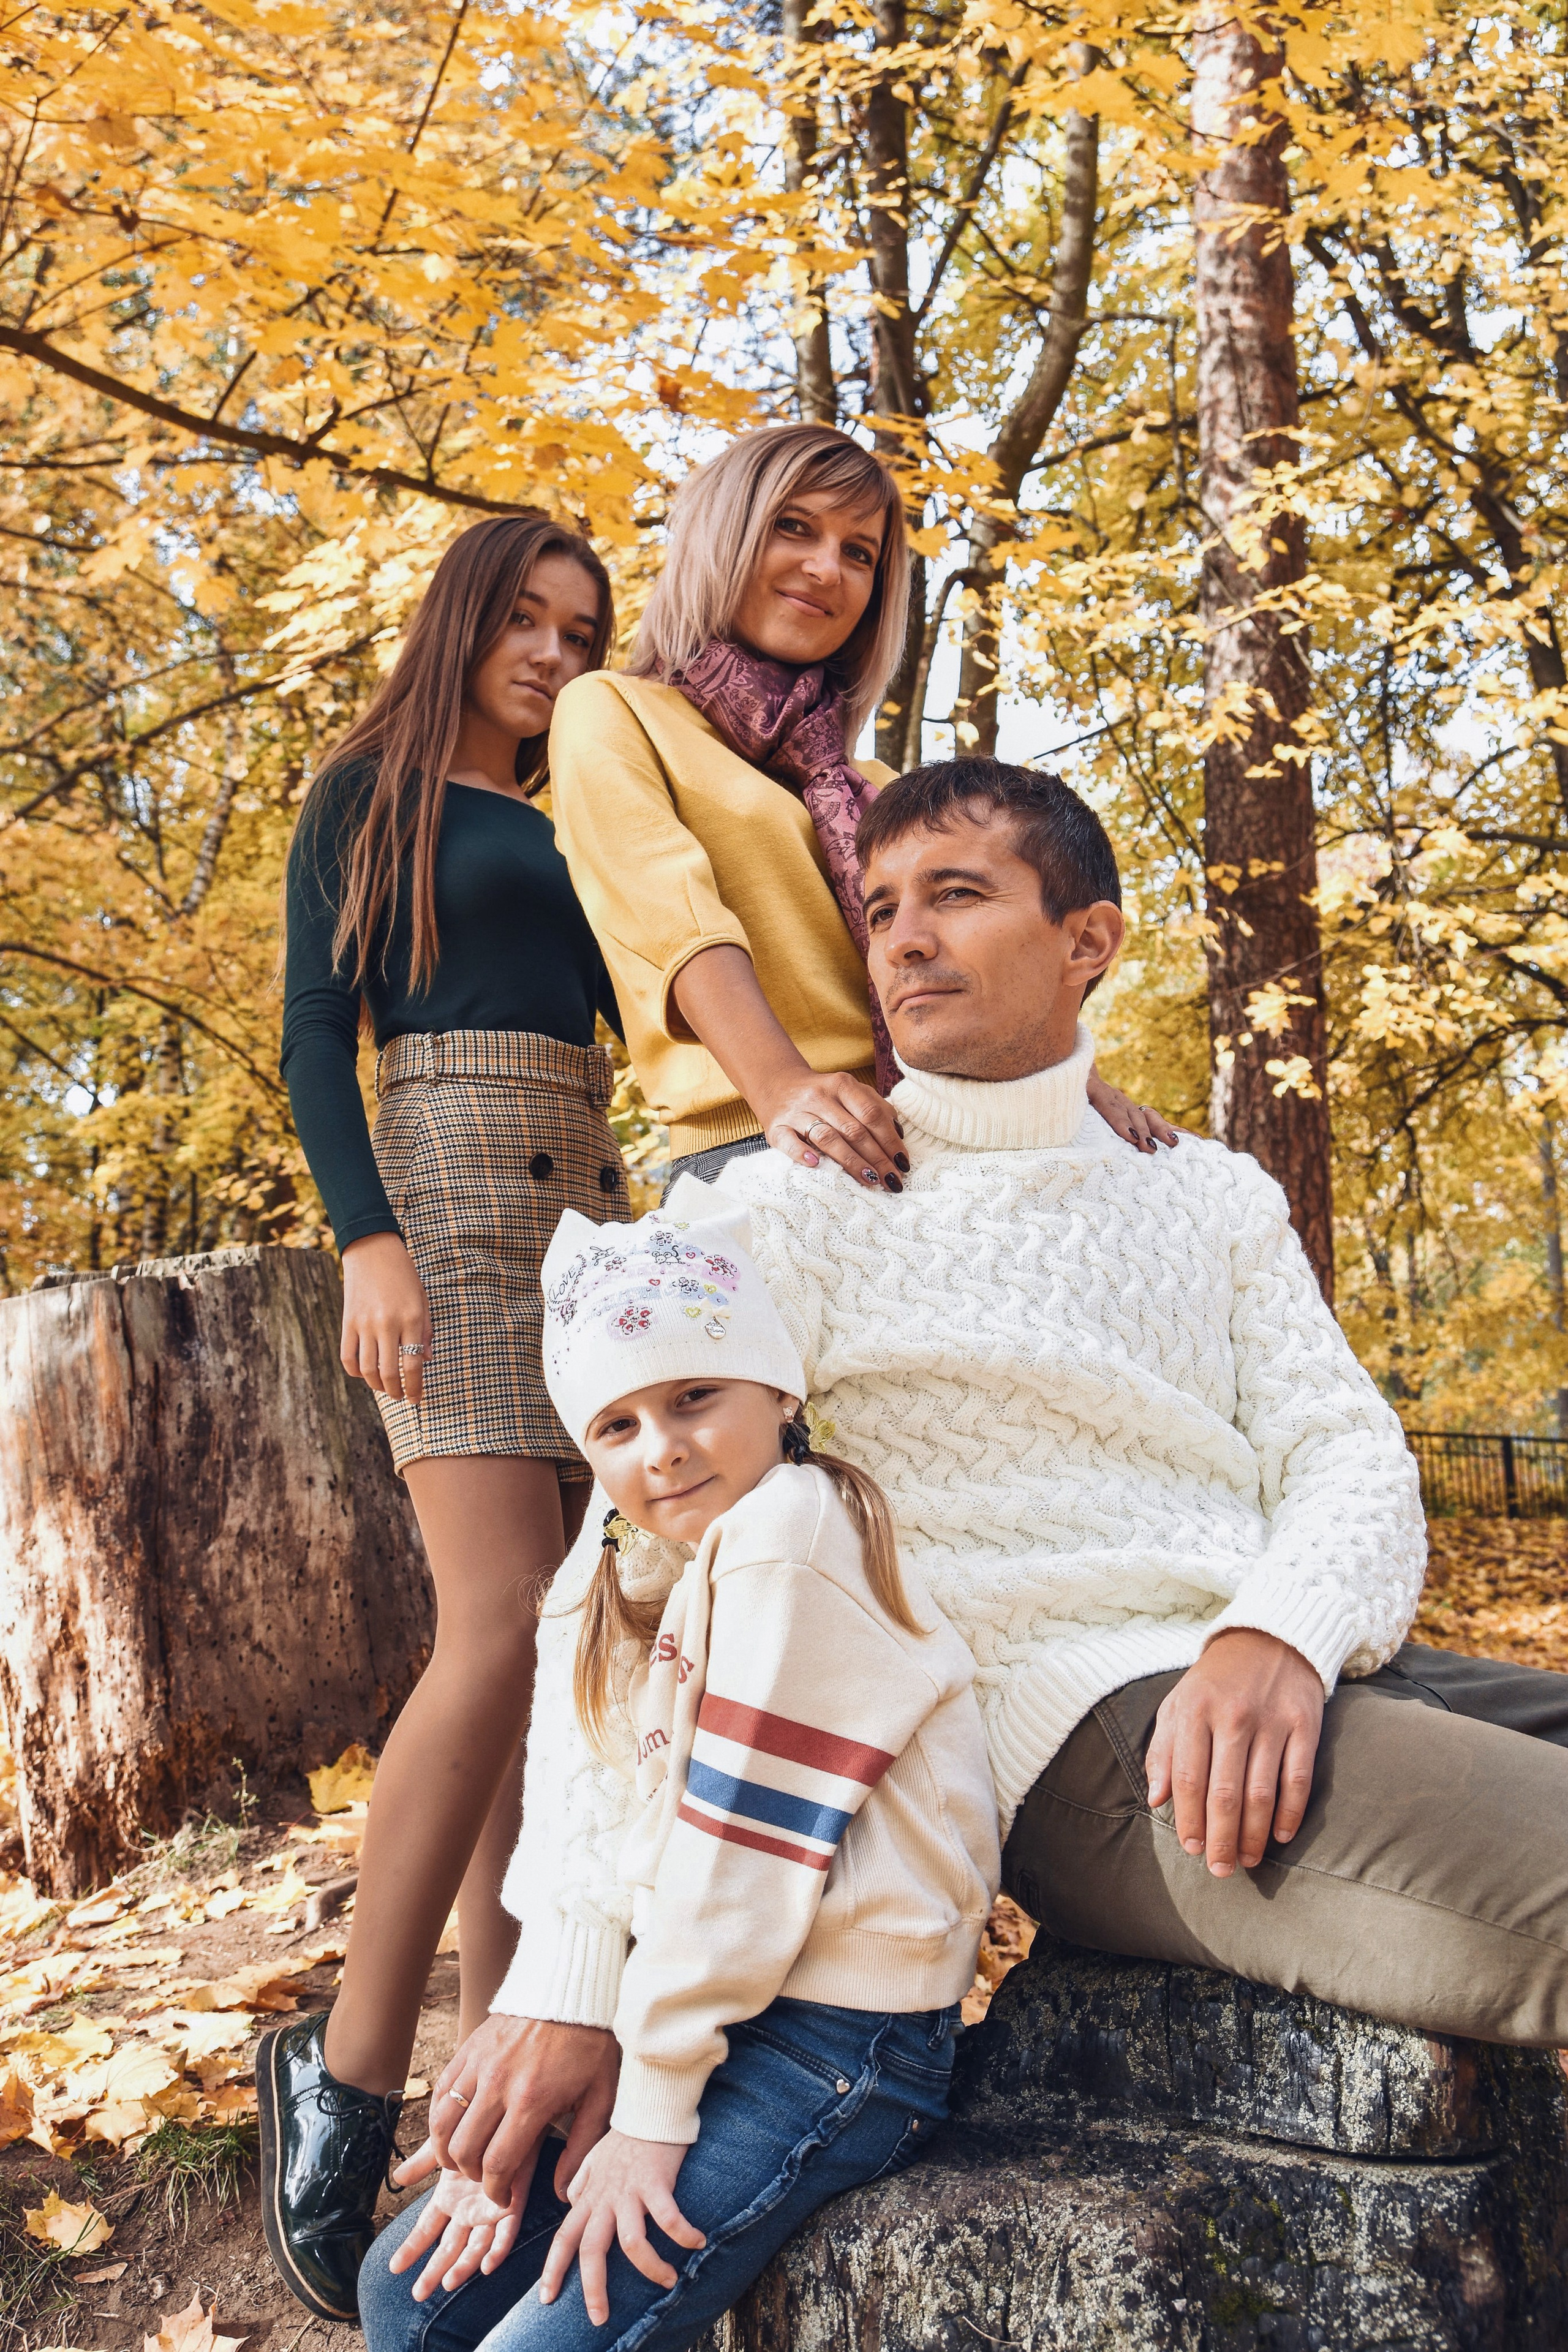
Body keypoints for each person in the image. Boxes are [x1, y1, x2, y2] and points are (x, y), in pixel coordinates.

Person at [424, 755, 1568, 2256]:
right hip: (1079, 1730)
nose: (898, 936)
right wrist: (573, 1968)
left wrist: (1275, 1628)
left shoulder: (1209, 1192)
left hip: (1293, 1663)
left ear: (1085, 939)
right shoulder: (792, 1206)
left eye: (954, 895)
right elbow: (620, 1576)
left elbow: (1346, 1453)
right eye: (880, 904)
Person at [360, 1194, 999, 2352]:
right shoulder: (653, 1566)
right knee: (407, 2297)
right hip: (718, 2012)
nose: (662, 1446)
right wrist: (582, 2055)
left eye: (694, 1396)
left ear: (780, 1393)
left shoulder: (793, 1537)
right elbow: (609, 1826)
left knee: (545, 2340)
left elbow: (736, 1862)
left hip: (842, 2045)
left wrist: (649, 2115)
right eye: (618, 1425)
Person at [262, 515, 631, 2323]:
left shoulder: (582, 818)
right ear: (463, 620)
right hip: (455, 1183)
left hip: (598, 1199)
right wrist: (365, 1241)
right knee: (499, 1622)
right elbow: (312, 1029)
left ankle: (494, 2097)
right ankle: (343, 2078)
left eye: (582, 632)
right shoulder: (372, 791)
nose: (554, 655)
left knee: (553, 1668)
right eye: (527, 622)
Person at [545, 421, 1173, 1200]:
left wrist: (1069, 1082)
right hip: (765, 1147)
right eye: (794, 527)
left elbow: (962, 953)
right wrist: (781, 1087)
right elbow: (669, 923)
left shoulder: (869, 782)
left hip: (930, 1141)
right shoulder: (614, 710)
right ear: (723, 535)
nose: (825, 568)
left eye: (859, 553)